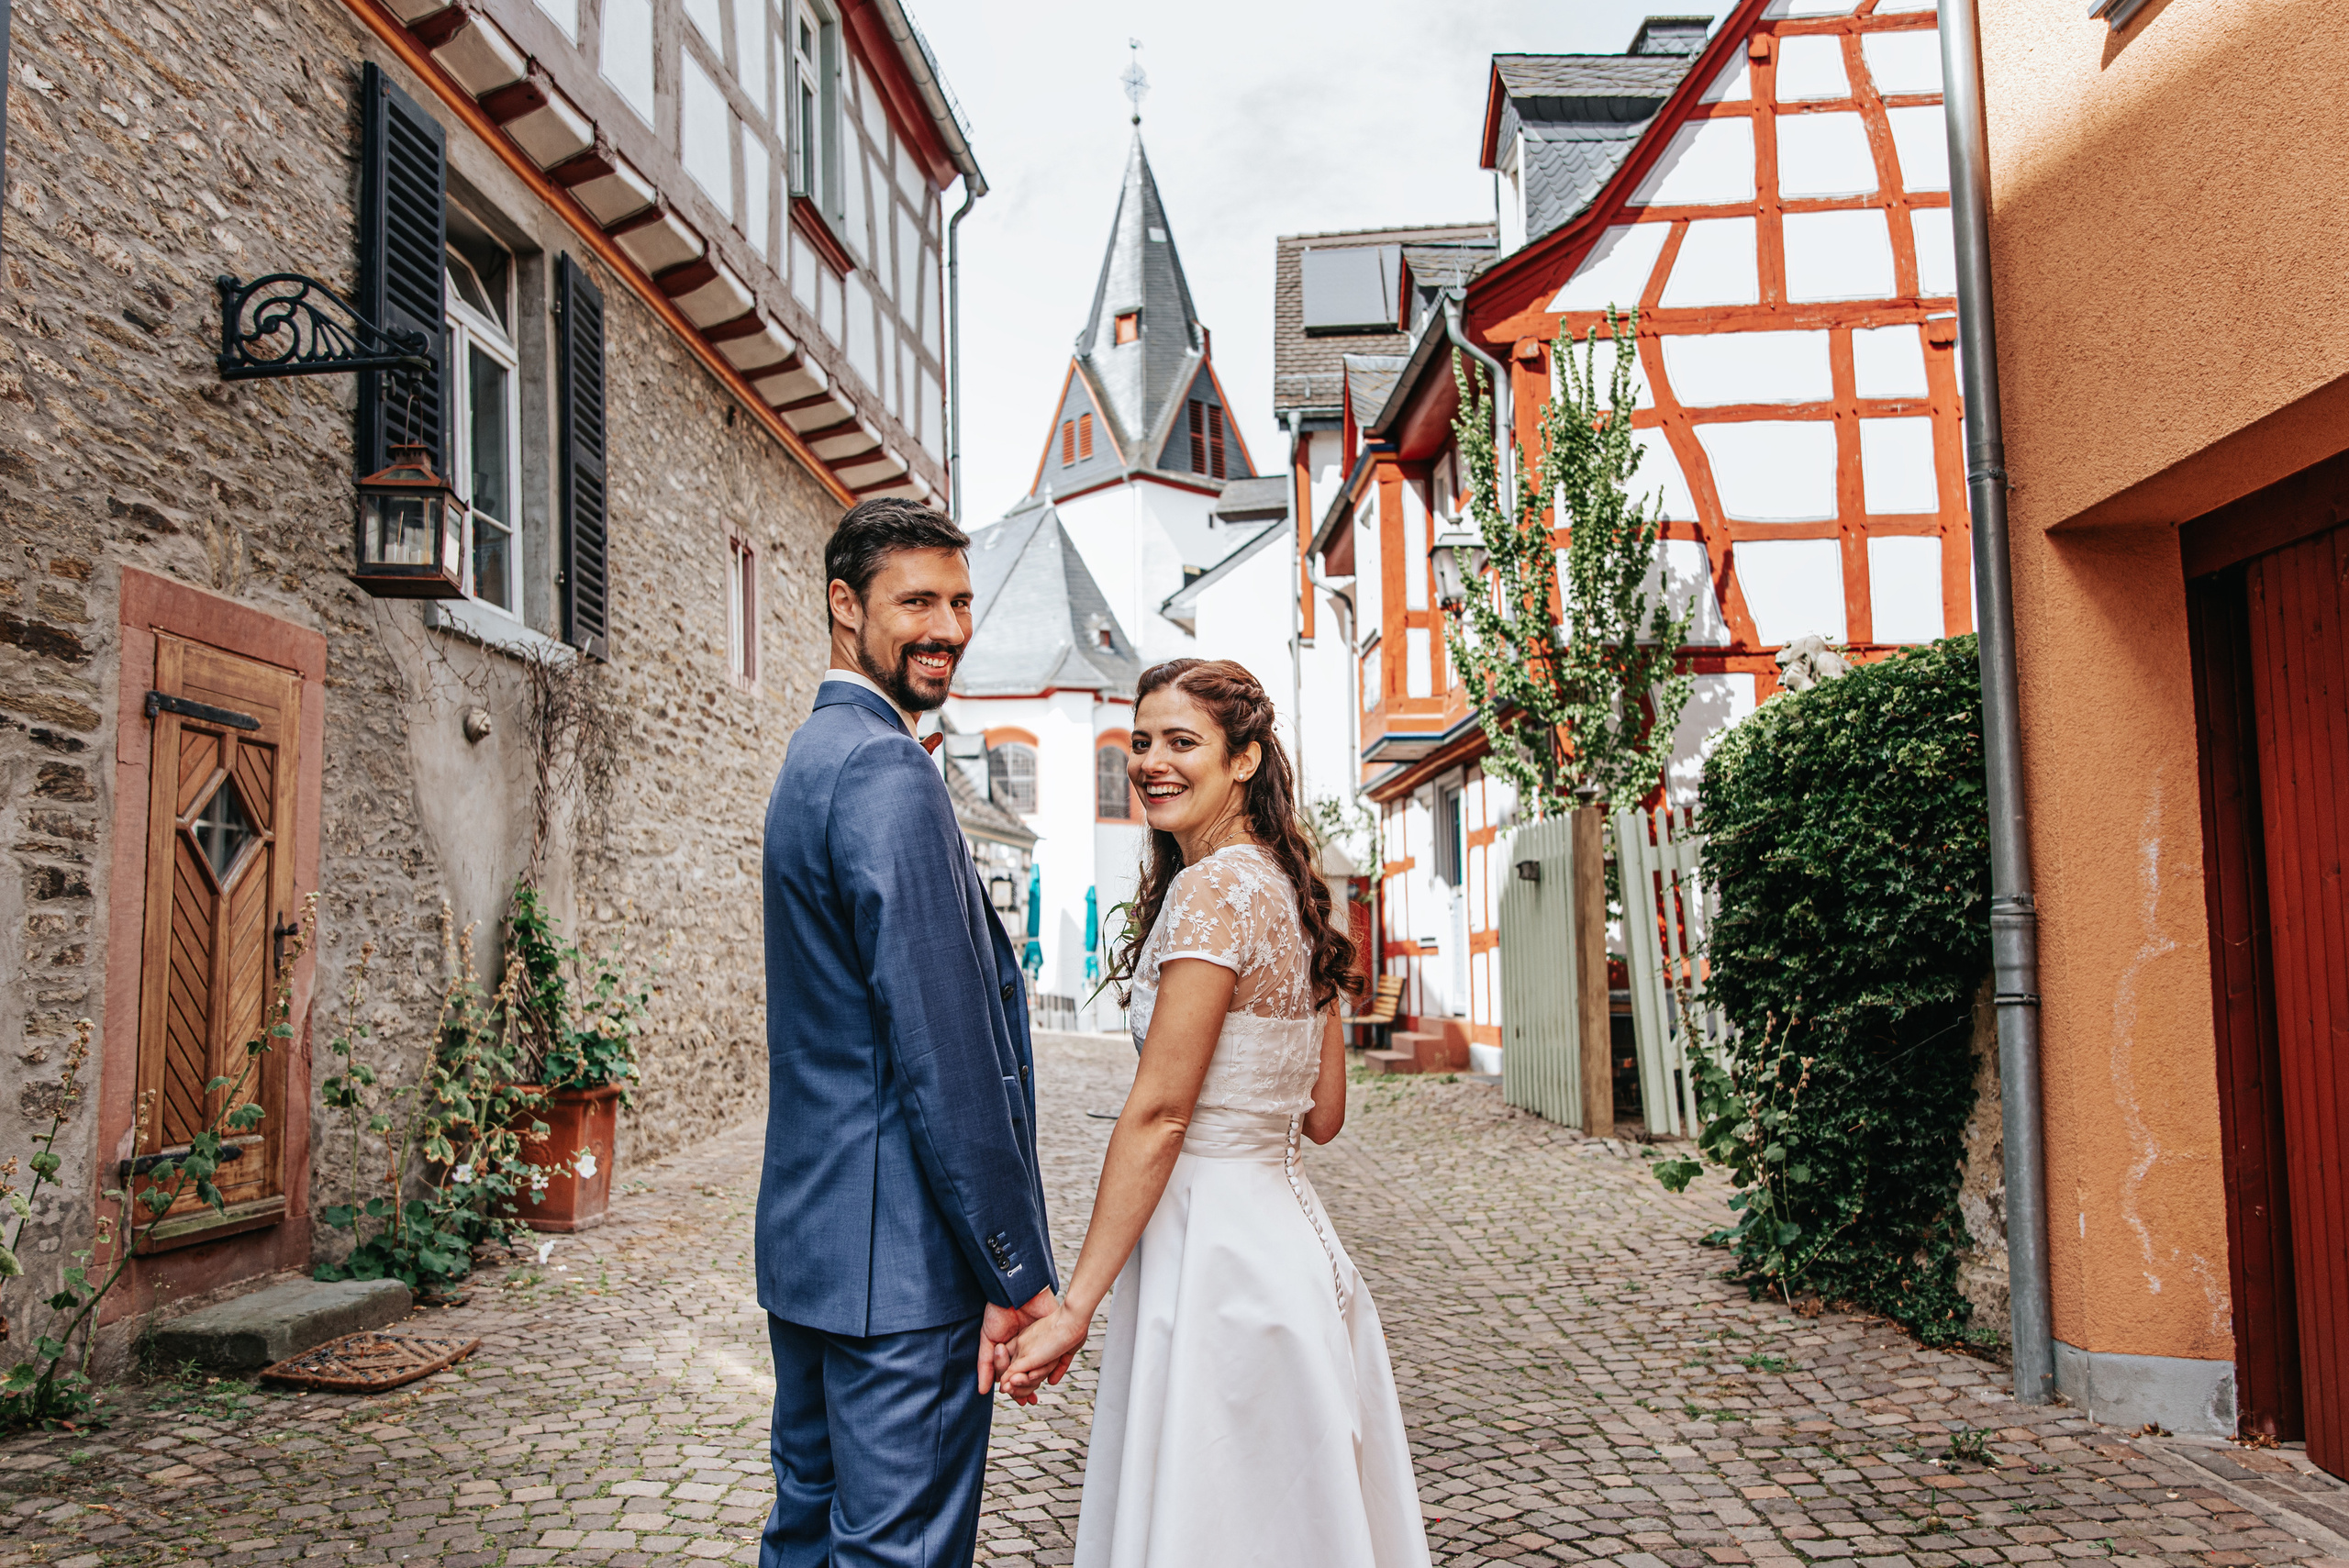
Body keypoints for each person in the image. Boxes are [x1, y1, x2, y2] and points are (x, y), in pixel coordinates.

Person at [1003, 659, 1431, 1566]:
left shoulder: (1210, 892)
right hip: (1295, 1248)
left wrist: (1075, 1304)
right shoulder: (1289, 888)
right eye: (1142, 740)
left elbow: (1159, 1112)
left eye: (1181, 741)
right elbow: (1321, 1115)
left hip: (1215, 1265)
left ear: (1241, 759)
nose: (1152, 760)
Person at [757, 498, 1067, 1568]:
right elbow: (946, 1051)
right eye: (918, 600)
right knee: (898, 1551)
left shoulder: (812, 756)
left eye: (961, 600)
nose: (948, 626)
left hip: (813, 1252)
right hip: (903, 1274)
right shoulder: (888, 770)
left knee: (807, 1530)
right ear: (845, 606)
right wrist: (1014, 1266)